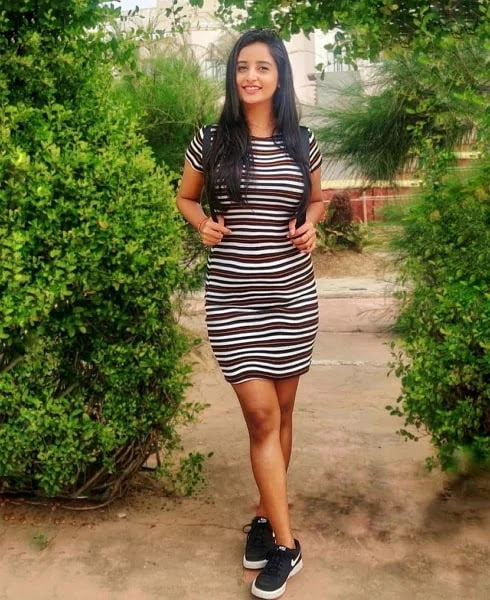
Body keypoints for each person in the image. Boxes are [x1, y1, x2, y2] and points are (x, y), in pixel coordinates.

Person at [176, 28, 324, 600]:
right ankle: (287, 545)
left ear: (280, 76)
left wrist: (313, 225)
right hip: (233, 298)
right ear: (233, 75)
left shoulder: (302, 142)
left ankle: (265, 514)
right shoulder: (212, 140)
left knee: (283, 413)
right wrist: (201, 224)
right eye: (242, 67)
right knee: (261, 417)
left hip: (291, 297)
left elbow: (316, 199)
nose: (251, 76)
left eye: (262, 66)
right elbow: (185, 197)